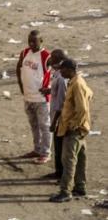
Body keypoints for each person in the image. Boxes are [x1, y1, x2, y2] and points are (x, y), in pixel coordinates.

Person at [51, 58, 92, 202]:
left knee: (68, 160)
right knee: (80, 159)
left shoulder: (77, 84)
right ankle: (80, 187)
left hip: (74, 129)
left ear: (69, 69)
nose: (60, 71)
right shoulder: (77, 82)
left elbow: (82, 109)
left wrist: (73, 125)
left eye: (62, 69)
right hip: (81, 127)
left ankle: (65, 191)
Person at [16, 29, 53, 164]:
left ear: (41, 41)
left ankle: (46, 153)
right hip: (28, 98)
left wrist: (50, 88)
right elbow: (18, 67)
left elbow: (61, 72)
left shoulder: (46, 56)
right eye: (29, 41)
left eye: (34, 41)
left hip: (41, 100)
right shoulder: (25, 53)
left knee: (45, 126)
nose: (31, 44)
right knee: (34, 125)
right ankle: (37, 149)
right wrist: (21, 86)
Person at [43, 49, 70, 182]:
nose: (50, 59)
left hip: (60, 118)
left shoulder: (62, 77)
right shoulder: (58, 74)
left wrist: (54, 122)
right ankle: (58, 172)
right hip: (56, 115)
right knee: (58, 147)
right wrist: (48, 90)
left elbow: (62, 102)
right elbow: (56, 92)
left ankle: (63, 175)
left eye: (52, 58)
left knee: (62, 148)